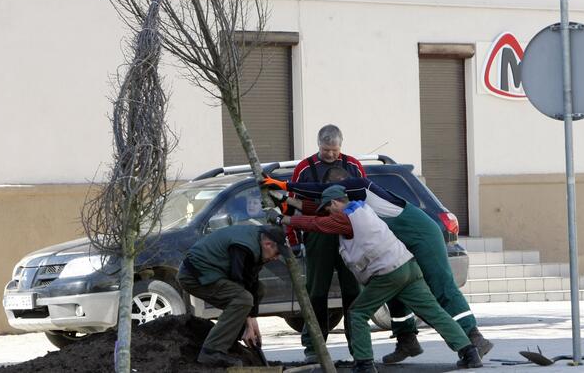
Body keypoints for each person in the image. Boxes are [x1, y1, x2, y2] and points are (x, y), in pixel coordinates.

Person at [265, 171, 494, 362]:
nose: (325, 205)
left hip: (418, 239)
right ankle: (440, 346)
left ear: (342, 190)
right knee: (423, 307)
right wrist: (287, 200)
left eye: (330, 196)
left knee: (437, 287)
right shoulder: (356, 207)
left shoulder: (359, 195)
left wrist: (286, 195)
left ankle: (473, 335)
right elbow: (319, 210)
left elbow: (318, 221)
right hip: (403, 262)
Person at [288, 124, 365, 363]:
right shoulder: (304, 168)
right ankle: (314, 346)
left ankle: (359, 347)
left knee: (353, 291)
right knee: (316, 291)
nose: (330, 154)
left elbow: (366, 198)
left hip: (348, 232)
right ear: (318, 145)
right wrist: (292, 239)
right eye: (325, 150)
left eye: (334, 150)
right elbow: (292, 203)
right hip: (317, 234)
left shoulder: (353, 165)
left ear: (341, 146)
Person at [176, 224, 288, 367]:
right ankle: (211, 352)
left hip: (211, 274)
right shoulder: (243, 247)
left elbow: (251, 282)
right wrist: (249, 325)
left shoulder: (257, 242)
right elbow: (239, 282)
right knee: (243, 299)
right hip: (193, 276)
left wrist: (253, 323)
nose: (276, 258)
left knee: (259, 289)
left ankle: (230, 342)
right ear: (268, 244)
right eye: (277, 253)